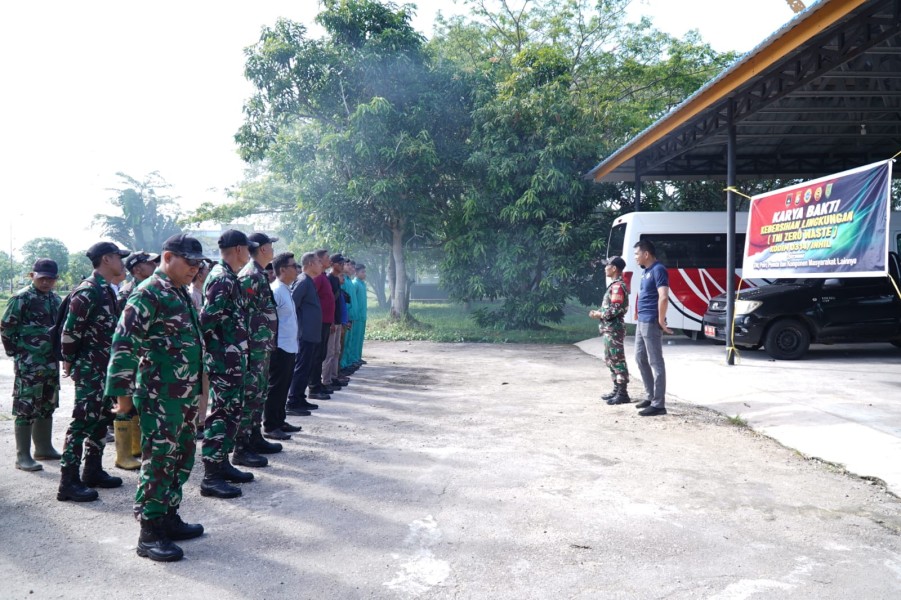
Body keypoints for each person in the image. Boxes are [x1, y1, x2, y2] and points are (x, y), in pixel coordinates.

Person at [105, 234, 207, 562]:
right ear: (168, 257)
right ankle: (149, 532)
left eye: (198, 264)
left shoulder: (177, 291)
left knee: (182, 457)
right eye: (189, 262)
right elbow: (124, 344)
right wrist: (122, 398)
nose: (195, 268)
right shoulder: (148, 292)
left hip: (184, 395)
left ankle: (168, 517)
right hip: (160, 396)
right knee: (160, 460)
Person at [57, 241, 131, 502]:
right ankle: (68, 481)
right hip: (90, 369)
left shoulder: (107, 290)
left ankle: (92, 470)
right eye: (119, 258)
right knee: (82, 422)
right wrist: (68, 360)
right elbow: (70, 330)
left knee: (101, 419)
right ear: (107, 259)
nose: (123, 262)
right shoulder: (88, 290)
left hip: (104, 368)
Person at [199, 229, 258, 499]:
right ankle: (211, 476)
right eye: (247, 248)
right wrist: (216, 352)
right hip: (224, 360)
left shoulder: (230, 277)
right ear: (237, 249)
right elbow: (207, 320)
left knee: (232, 412)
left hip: (234, 357)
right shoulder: (221, 278)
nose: (249, 253)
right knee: (221, 414)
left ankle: (222, 463)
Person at [1, 259, 63, 472]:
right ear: (32, 276)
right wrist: (16, 353)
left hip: (50, 362)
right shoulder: (22, 298)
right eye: (42, 278)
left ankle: (44, 448)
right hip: (29, 363)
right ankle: (22, 456)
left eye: (50, 279)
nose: (46, 282)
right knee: (26, 406)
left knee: (47, 404)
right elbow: (7, 327)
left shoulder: (55, 299)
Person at [114, 251, 160, 471]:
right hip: (128, 355)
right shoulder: (130, 291)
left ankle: (135, 448)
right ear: (137, 269)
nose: (155, 265)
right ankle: (122, 455)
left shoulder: (151, 289)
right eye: (150, 263)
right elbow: (121, 330)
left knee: (136, 402)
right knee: (124, 404)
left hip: (141, 356)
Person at [239, 233, 282, 456]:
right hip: (253, 348)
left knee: (259, 394)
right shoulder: (251, 275)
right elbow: (242, 312)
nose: (273, 250)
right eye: (270, 246)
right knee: (251, 395)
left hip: (262, 347)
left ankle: (255, 436)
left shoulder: (259, 274)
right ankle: (242, 446)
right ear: (263, 249)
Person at [263, 252, 305, 439]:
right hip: (279, 347)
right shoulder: (276, 290)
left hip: (289, 346)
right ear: (282, 269)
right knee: (276, 387)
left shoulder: (285, 289)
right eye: (293, 266)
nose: (297, 270)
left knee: (284, 386)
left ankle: (280, 420)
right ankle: (271, 426)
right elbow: (269, 320)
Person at [632, 240, 672, 417]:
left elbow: (663, 297)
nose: (635, 257)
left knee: (656, 361)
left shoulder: (658, 269)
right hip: (642, 319)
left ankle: (658, 404)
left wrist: (661, 320)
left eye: (636, 254)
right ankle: (650, 396)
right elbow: (643, 294)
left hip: (651, 321)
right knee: (640, 357)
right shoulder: (645, 272)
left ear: (646, 254)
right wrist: (637, 311)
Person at [286, 252, 324, 413]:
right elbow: (292, 305)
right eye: (318, 262)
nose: (321, 264)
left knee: (306, 367)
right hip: (304, 333)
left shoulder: (309, 281)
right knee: (301, 368)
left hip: (311, 333)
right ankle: (293, 401)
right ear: (309, 264)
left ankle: (300, 398)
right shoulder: (302, 281)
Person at [589, 257, 630, 405]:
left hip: (614, 329)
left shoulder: (618, 287)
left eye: (607, 265)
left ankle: (623, 393)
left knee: (617, 359)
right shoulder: (614, 286)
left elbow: (616, 309)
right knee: (610, 359)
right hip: (609, 328)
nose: (604, 268)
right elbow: (610, 307)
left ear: (614, 269)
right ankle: (616, 389)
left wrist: (599, 314)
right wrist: (598, 312)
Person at [189, 260, 212, 439]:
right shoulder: (192, 295)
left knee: (205, 387)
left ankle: (202, 420)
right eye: (206, 270)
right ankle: (197, 422)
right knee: (200, 388)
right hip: (197, 347)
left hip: (204, 346)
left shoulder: (202, 293)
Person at [309, 249, 334, 399]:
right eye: (326, 258)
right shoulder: (317, 278)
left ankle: (318, 384)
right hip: (319, 322)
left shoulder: (323, 276)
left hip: (325, 322)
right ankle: (313, 387)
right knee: (317, 355)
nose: (329, 260)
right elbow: (313, 299)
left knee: (322, 354)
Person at [321, 253, 347, 391]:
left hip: (337, 319)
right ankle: (325, 380)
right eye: (340, 264)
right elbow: (328, 303)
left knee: (336, 350)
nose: (342, 266)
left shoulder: (336, 279)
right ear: (333, 264)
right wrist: (331, 321)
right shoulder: (330, 278)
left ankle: (333, 376)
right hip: (332, 320)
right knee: (329, 352)